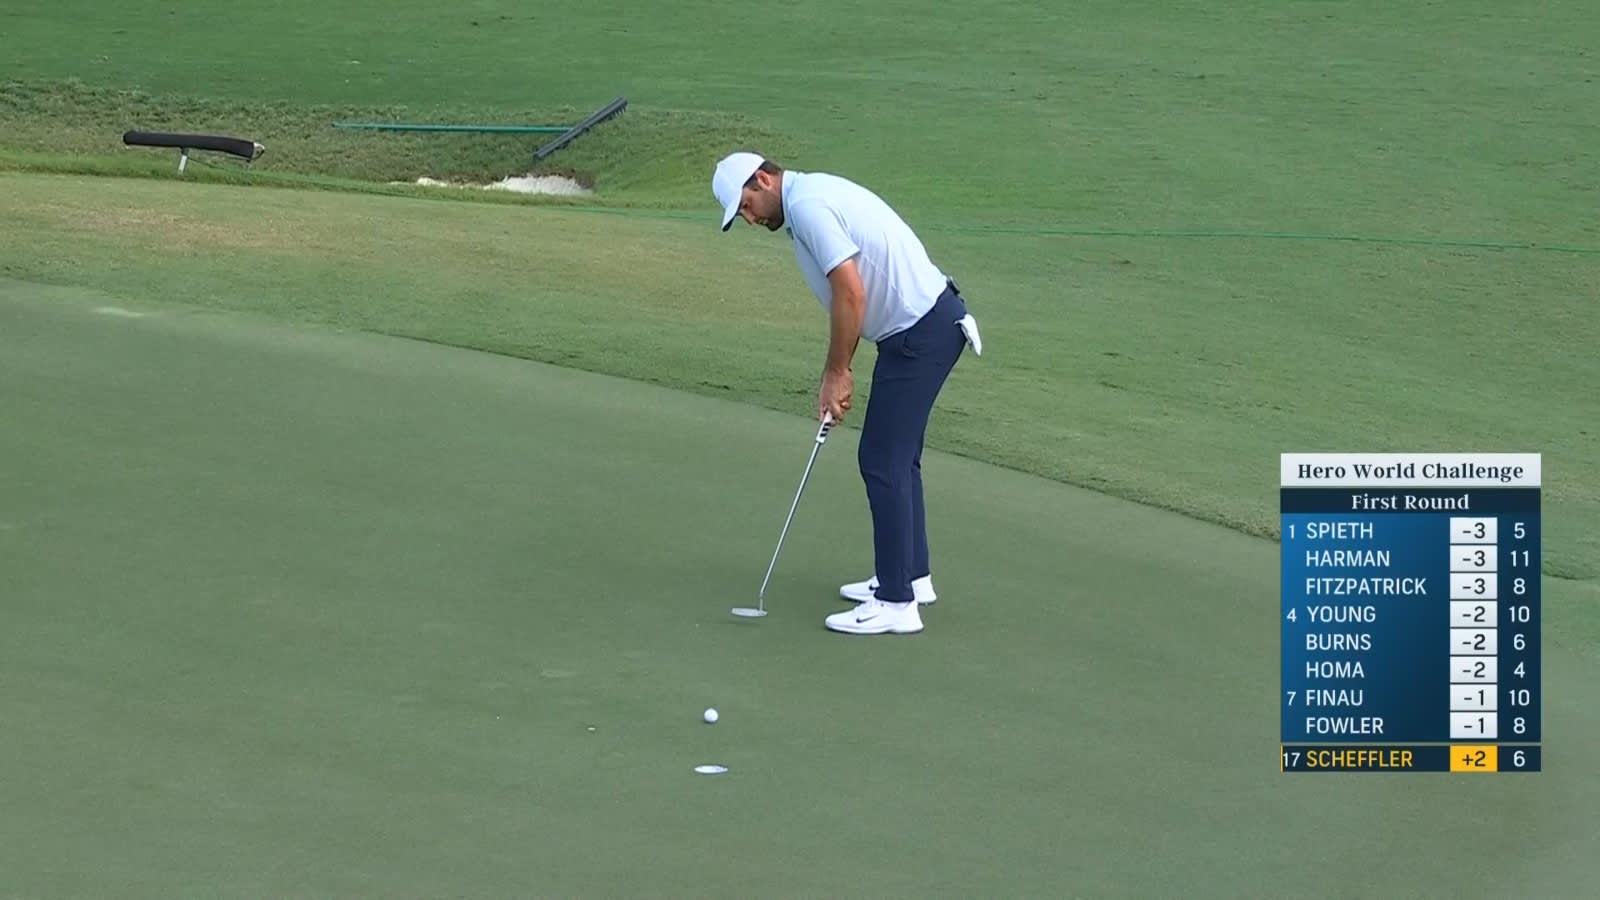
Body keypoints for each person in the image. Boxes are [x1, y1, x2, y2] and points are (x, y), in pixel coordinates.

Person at [711, 151, 982, 636]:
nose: (749, 218)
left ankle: (896, 603)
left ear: (763, 179)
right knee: (899, 457)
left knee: (881, 459)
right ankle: (911, 577)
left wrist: (837, 372)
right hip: (922, 329)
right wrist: (839, 369)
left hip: (922, 333)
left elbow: (851, 292)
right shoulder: (805, 202)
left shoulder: (809, 205)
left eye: (746, 205)